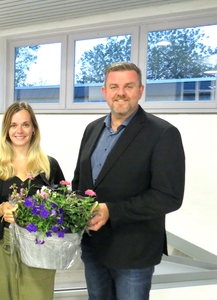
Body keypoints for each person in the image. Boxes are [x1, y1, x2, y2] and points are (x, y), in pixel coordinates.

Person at [72, 62, 185, 300]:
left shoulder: (162, 134)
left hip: (134, 252)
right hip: (93, 247)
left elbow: (168, 196)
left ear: (140, 90)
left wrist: (111, 211)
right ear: (104, 91)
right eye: (114, 86)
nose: (120, 92)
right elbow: (79, 182)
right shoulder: (91, 130)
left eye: (128, 86)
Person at [0, 102, 65, 300]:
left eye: (25, 124)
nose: (19, 130)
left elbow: (62, 210)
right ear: (6, 130)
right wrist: (1, 209)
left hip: (40, 247)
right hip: (2, 245)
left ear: (34, 128)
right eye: (13, 125)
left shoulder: (49, 166)